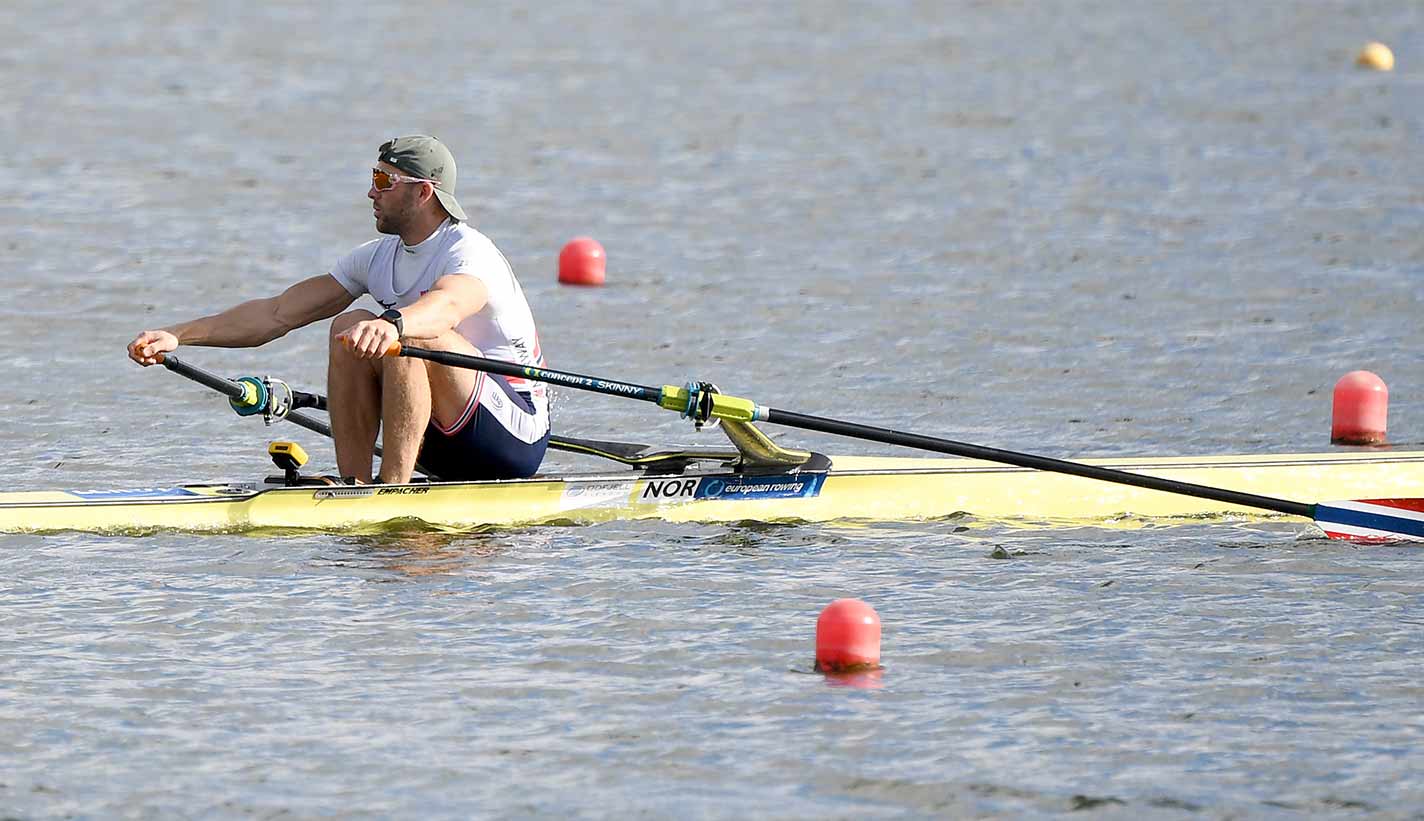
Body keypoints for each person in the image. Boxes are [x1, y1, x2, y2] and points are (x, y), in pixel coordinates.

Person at [127, 135, 550, 484]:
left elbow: (449, 305)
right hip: (431, 436)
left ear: (423, 192)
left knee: (407, 334)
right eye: (373, 177)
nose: (371, 191)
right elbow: (277, 313)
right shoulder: (376, 258)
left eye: (384, 180)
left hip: (509, 437)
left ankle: (393, 487)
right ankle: (356, 485)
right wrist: (178, 335)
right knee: (348, 324)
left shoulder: (470, 251)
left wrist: (396, 324)